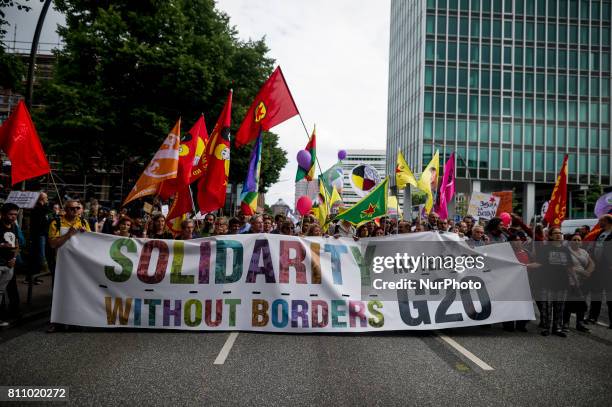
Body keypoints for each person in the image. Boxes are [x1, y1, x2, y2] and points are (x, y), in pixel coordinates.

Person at [47, 200, 90, 333]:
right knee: (59, 292)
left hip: (77, 264)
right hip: (61, 264)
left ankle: (74, 320)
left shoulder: (83, 222)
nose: (75, 211)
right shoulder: (56, 223)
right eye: (71, 208)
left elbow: (91, 243)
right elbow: (53, 244)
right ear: (66, 210)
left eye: (77, 208)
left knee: (77, 292)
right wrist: (69, 234)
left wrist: (86, 235)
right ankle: (57, 321)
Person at [534, 227, 572, 337]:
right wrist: (527, 266)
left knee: (560, 307)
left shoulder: (566, 250)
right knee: (547, 307)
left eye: (560, 233)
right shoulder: (545, 249)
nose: (558, 235)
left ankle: (558, 328)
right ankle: (546, 327)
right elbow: (539, 263)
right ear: (550, 236)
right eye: (555, 233)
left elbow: (569, 267)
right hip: (547, 283)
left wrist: (574, 280)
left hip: (562, 283)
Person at [562, 234, 594, 333]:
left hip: (583, 281)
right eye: (574, 239)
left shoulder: (584, 252)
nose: (576, 241)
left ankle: (579, 323)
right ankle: (565, 323)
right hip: (570, 281)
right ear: (570, 241)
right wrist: (581, 272)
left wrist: (588, 272)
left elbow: (591, 263)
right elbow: (566, 266)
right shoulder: (566, 251)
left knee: (582, 302)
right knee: (568, 303)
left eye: (578, 240)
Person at [585, 214, 612, 326]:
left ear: (608, 221)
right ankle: (592, 317)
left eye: (601, 220)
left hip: (609, 270)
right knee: (596, 294)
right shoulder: (599, 233)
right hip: (597, 269)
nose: (599, 222)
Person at [0, 203, 20, 327]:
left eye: (15, 215)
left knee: (1, 292)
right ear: (3, 214)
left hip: (9, 265)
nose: (13, 217)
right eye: (10, 214)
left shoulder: (13, 226)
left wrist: (14, 258)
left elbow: (17, 244)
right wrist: (2, 245)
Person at [27, 192, 50, 285]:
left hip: (40, 235)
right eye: (46, 198)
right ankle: (31, 277)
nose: (47, 199)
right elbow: (40, 223)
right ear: (42, 199)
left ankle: (33, 277)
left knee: (37, 256)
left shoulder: (41, 208)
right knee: (38, 256)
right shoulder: (38, 209)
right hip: (38, 235)